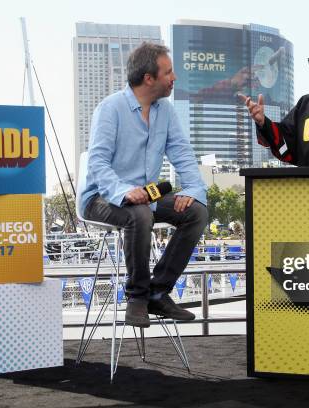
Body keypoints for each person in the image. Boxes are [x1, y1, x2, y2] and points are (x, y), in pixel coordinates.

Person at [80, 42, 208, 328]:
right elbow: (97, 163)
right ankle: (136, 297)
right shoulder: (110, 108)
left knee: (196, 213)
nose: (174, 78)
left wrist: (191, 190)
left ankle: (158, 292)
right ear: (149, 78)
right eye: (169, 72)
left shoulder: (166, 111)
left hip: (146, 197)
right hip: (100, 197)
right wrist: (124, 192)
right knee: (139, 214)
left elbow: (183, 155)